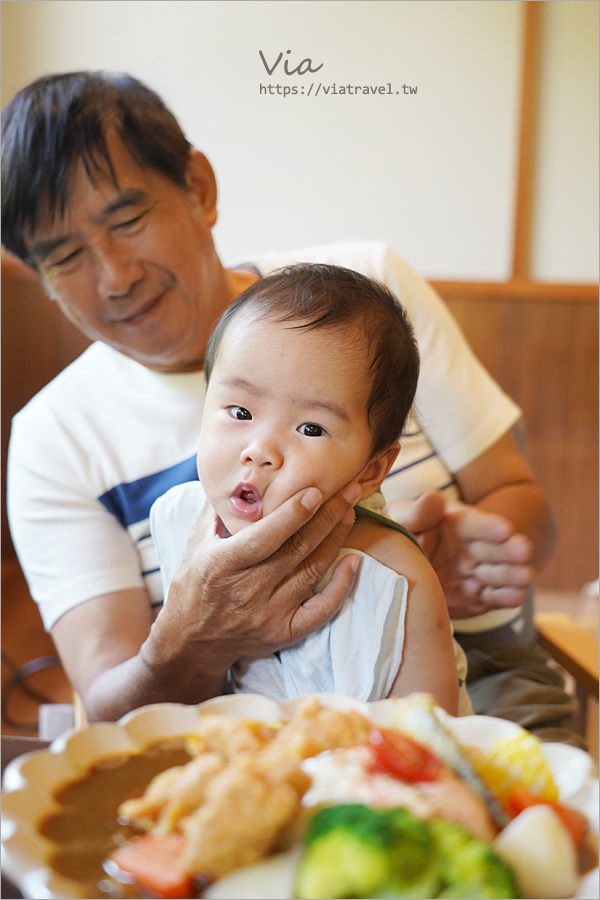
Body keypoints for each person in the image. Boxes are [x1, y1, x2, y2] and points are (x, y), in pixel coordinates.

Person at [1, 71, 577, 740]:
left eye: (127, 219)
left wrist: (466, 559)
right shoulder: (54, 437)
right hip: (229, 711)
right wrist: (192, 636)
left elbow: (522, 503)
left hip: (474, 676)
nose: (114, 277)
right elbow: (111, 708)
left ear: (198, 187)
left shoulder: (369, 294)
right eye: (64, 255)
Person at [151, 262, 466, 716]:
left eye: (311, 428)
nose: (260, 451)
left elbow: (427, 749)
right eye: (239, 412)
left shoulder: (394, 578)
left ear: (371, 470)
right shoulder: (179, 518)